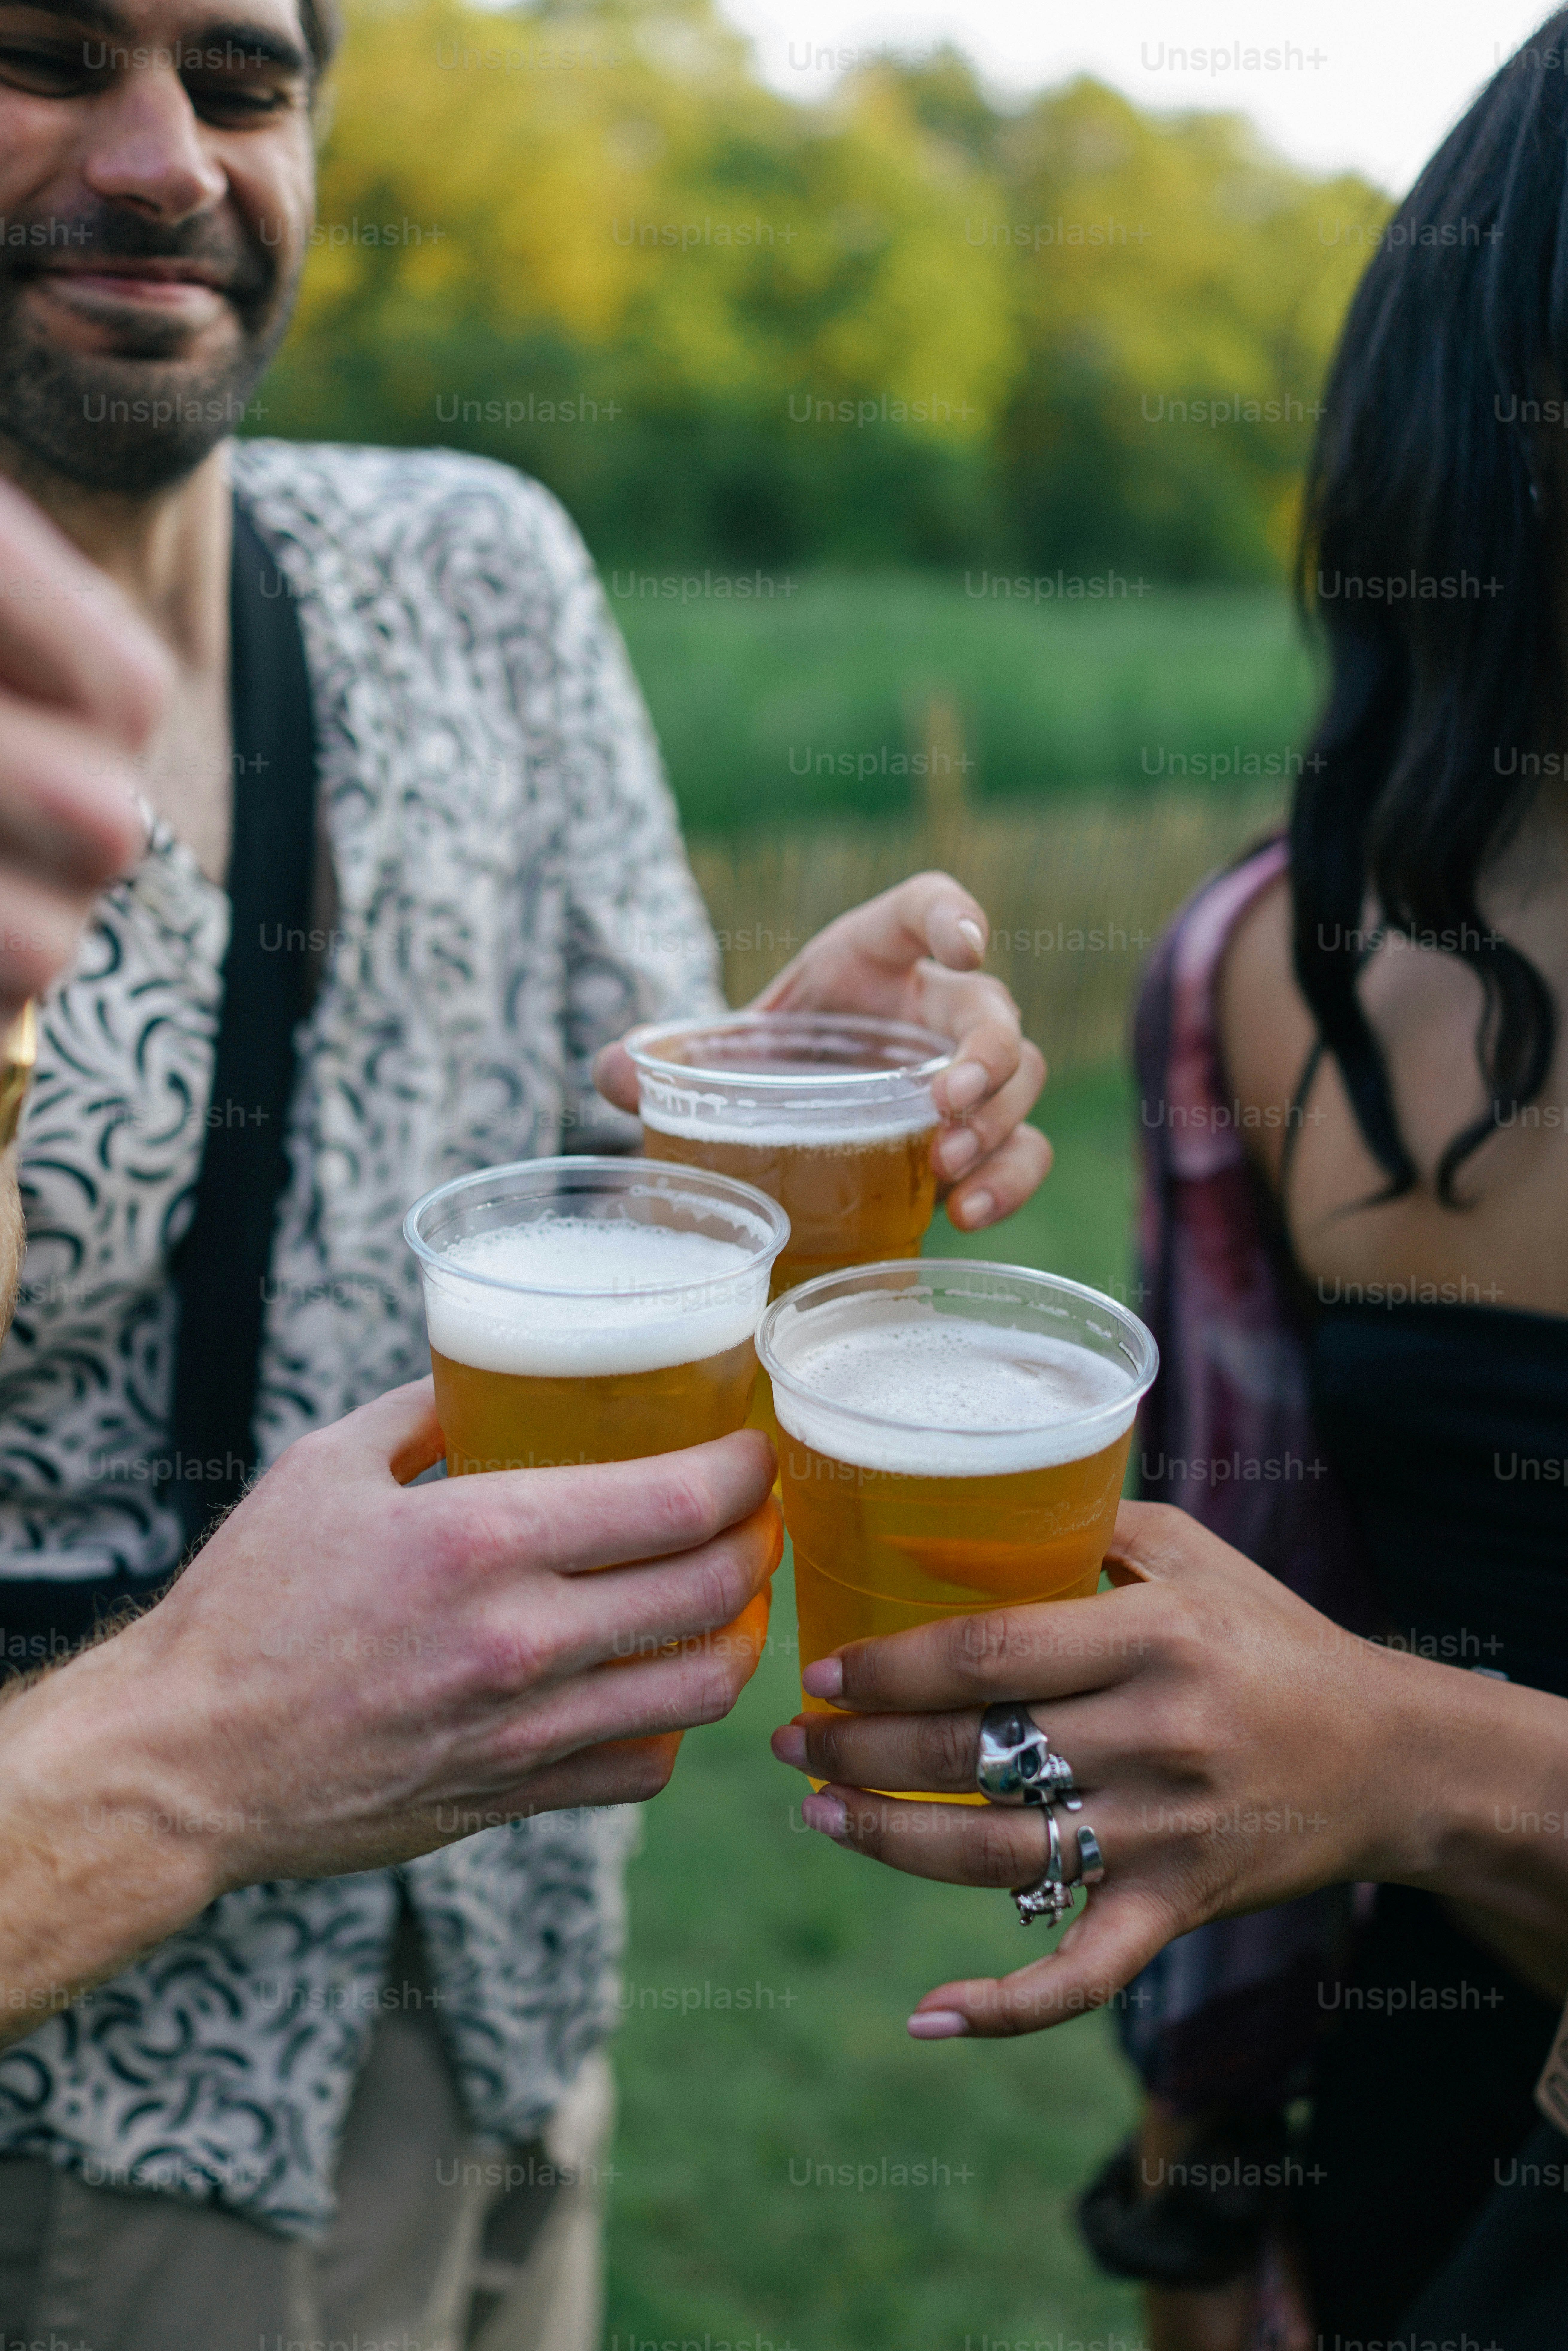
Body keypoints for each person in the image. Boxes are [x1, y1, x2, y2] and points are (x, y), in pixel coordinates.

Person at [0, 0, 1052, 2342]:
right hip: (84, 2097)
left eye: (244, 78)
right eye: (46, 51)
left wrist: (798, 1098)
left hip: (505, 1975)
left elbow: (643, 1200)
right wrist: (189, 1746)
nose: (164, 157)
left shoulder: (482, 569)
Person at [772, 15, 1568, 2349]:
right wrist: (1196, 2185)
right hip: (1405, 2187)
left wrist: (1404, 1753)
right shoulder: (1255, 967)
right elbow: (1244, 1624)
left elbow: (1328, 1727)